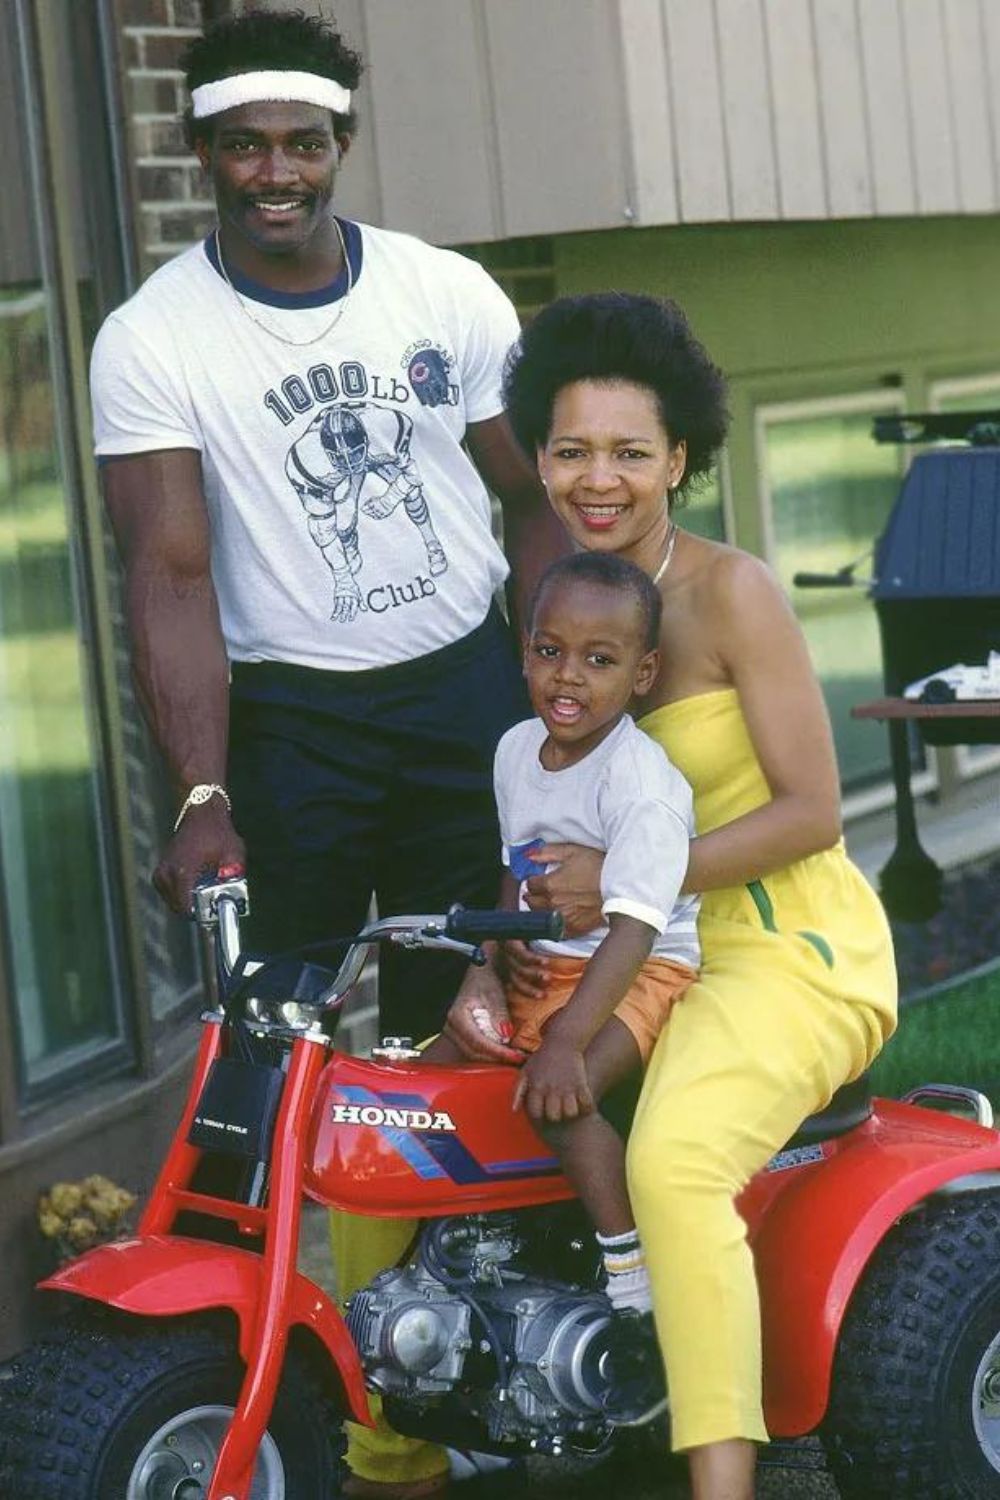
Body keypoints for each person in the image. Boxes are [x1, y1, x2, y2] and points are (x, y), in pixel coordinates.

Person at [440, 292, 899, 1500]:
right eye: (573, 449)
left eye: (630, 452)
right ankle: (396, 1453)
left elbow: (813, 810)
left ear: (679, 459)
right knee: (414, 1110)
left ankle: (721, 1486)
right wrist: (498, 952)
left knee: (677, 1159)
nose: (600, 477)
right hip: (610, 956)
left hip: (778, 948)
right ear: (536, 457)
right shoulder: (553, 603)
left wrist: (620, 884)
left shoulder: (731, 592)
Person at [89, 6, 564, 1043]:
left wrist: (550, 692)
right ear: (201, 149)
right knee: (274, 1034)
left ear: (340, 146)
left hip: (463, 690)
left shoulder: (445, 291)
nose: (276, 173)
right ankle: (260, 1207)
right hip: (292, 723)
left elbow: (531, 498)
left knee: (468, 1026)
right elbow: (170, 577)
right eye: (247, 144)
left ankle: (457, 1218)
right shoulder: (151, 340)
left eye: (303, 143)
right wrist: (201, 793)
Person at [422, 551, 700, 1425]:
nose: (568, 676)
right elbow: (519, 872)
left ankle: (630, 1278)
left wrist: (571, 1039)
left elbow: (637, 926)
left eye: (599, 659)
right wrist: (489, 971)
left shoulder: (641, 781)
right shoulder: (513, 750)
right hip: (550, 963)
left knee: (565, 1101)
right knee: (430, 1075)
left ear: (642, 673)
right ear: (525, 653)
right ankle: (453, 1271)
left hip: (637, 971)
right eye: (550, 651)